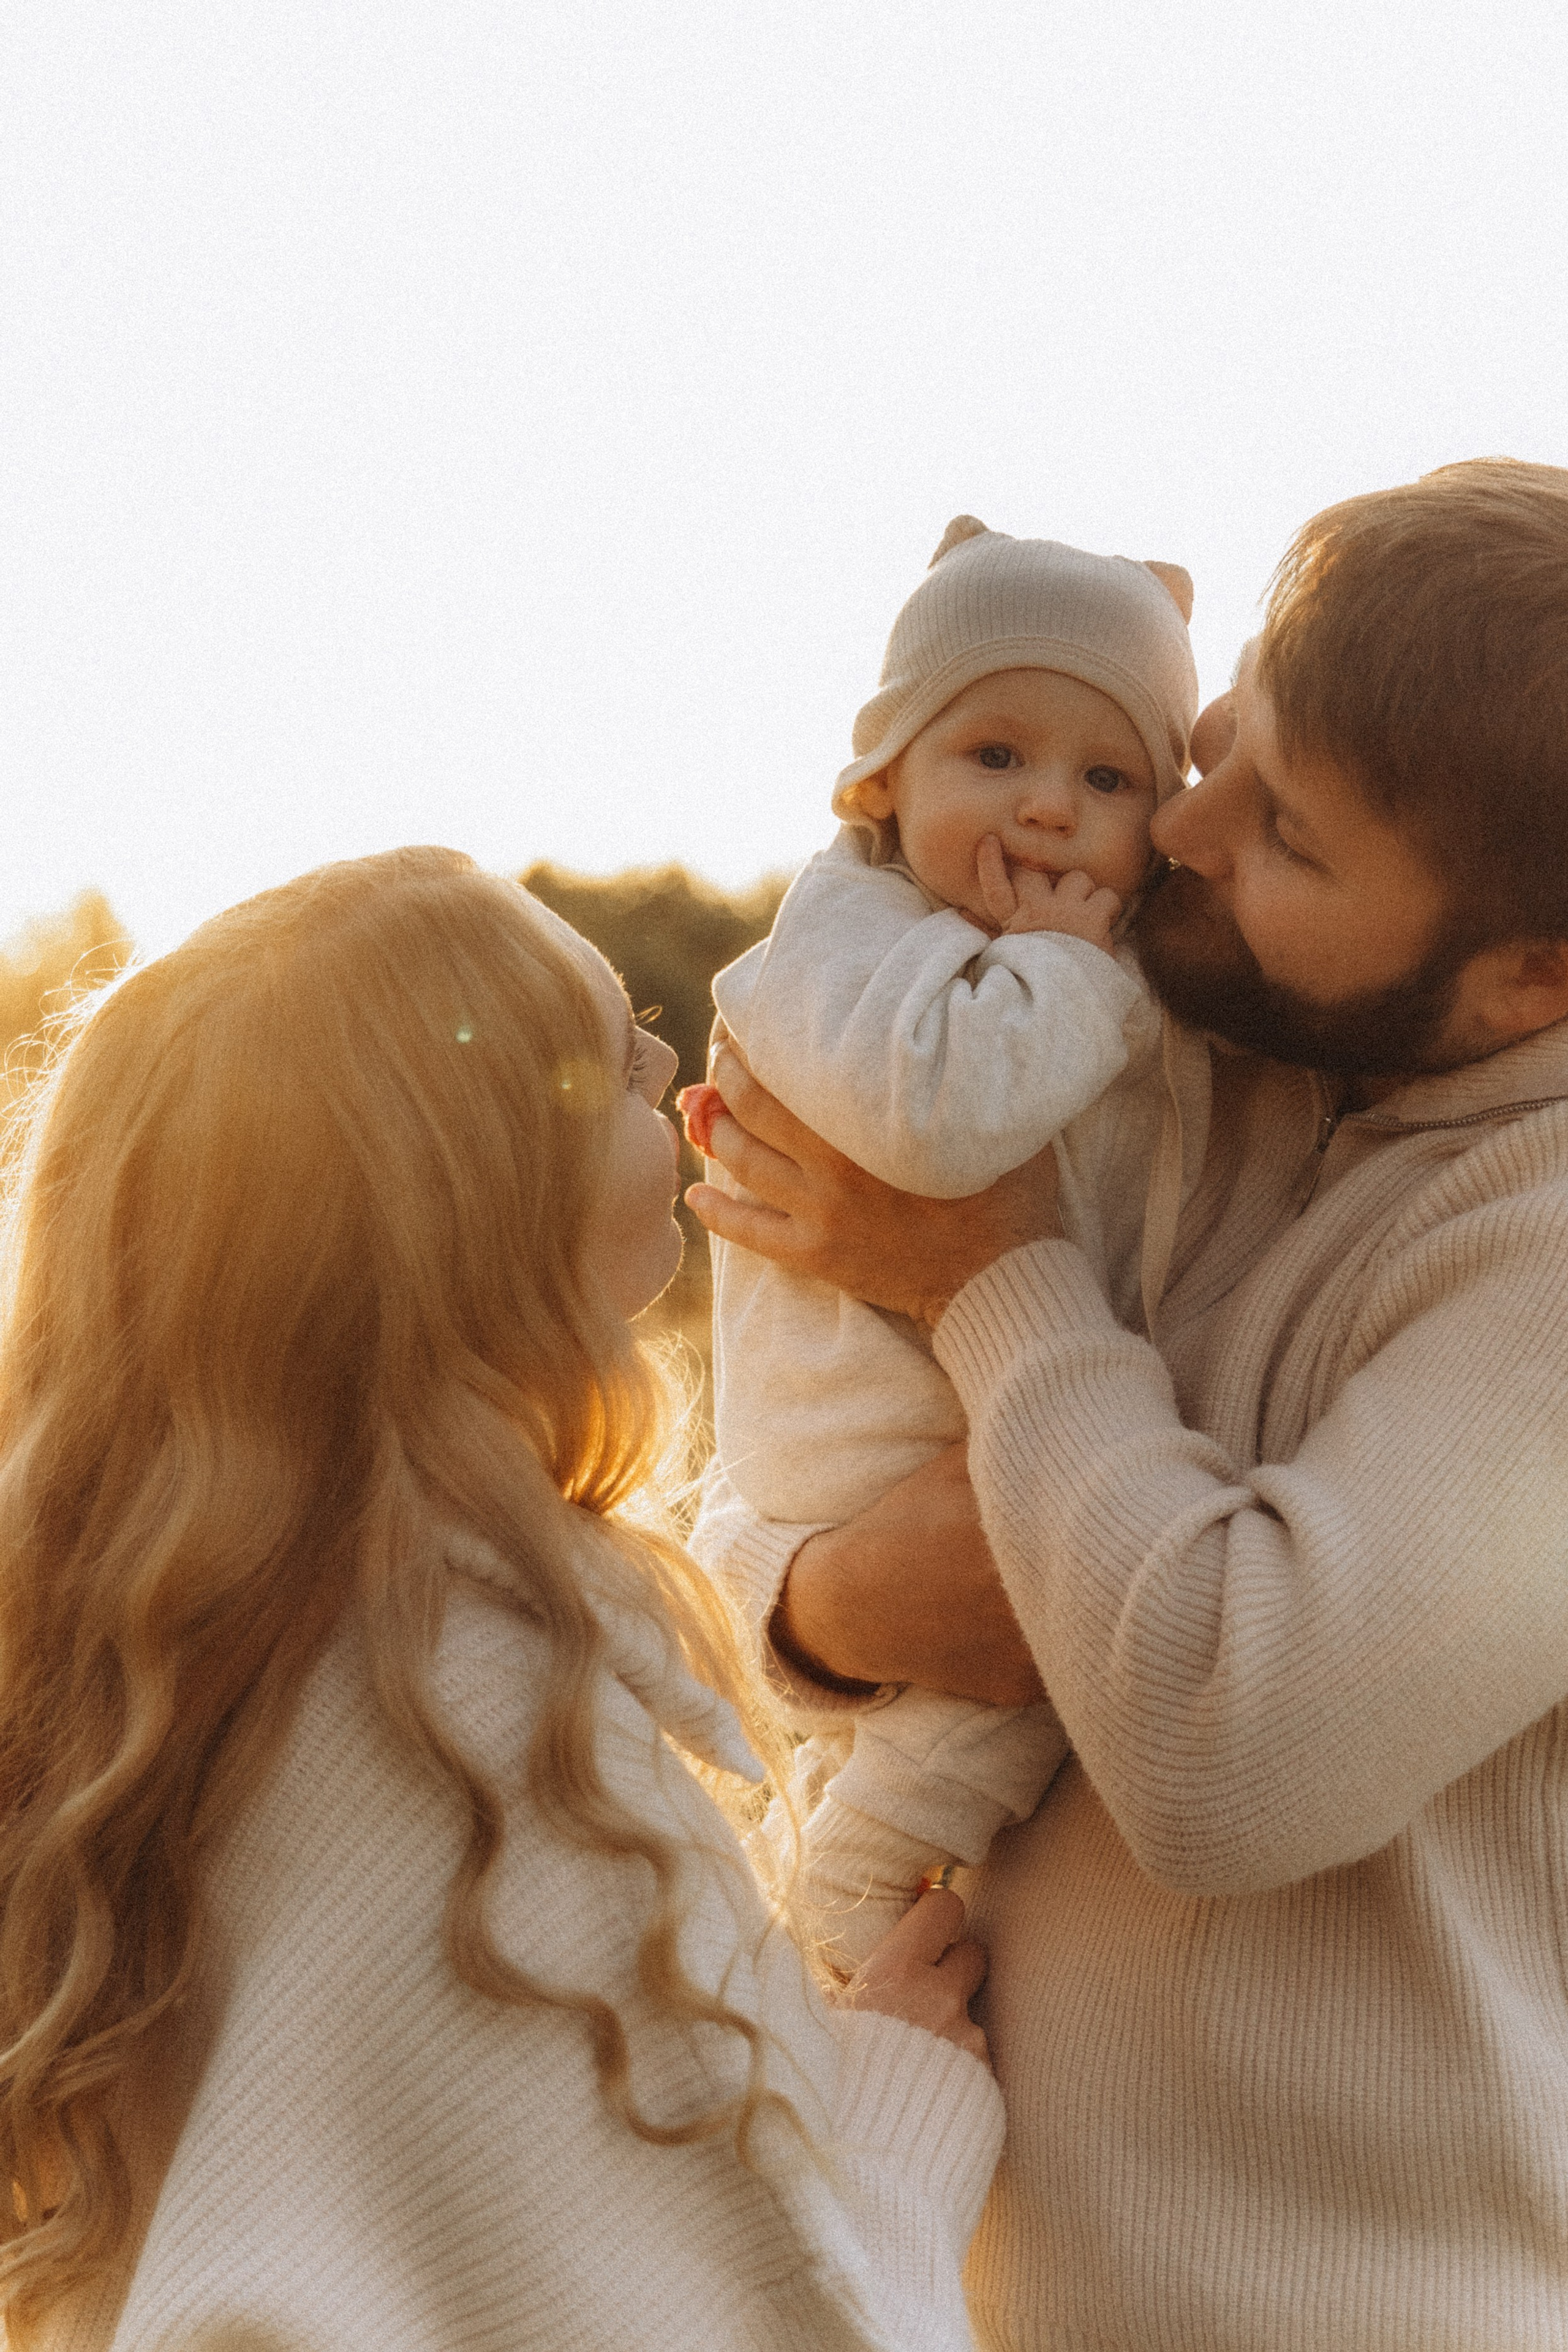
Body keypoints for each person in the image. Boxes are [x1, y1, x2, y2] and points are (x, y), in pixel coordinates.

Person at [688, 459, 1568, 2350]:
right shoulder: (1167, 1032)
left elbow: (1220, 1748)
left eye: (1292, 837)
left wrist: (986, 1271)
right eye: (1225, 732)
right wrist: (820, 1604)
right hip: (927, 2286)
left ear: (1529, 978)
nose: (1177, 829)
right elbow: (782, 1475)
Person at [0, 847, 1004, 2352]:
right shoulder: (479, 1734)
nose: (670, 1062)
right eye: (609, 1060)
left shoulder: (193, 1675)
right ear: (464, 1198)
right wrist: (891, 2118)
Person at [684, 514, 1204, 1968]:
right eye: (994, 757)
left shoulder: (1083, 957)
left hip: (953, 1429)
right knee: (977, 1723)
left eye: (1105, 779)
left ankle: (840, 1925)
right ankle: (839, 1910)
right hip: (860, 1446)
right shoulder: (838, 939)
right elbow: (938, 1127)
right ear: (875, 777)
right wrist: (1068, 968)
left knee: (1009, 1689)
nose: (1047, 809)